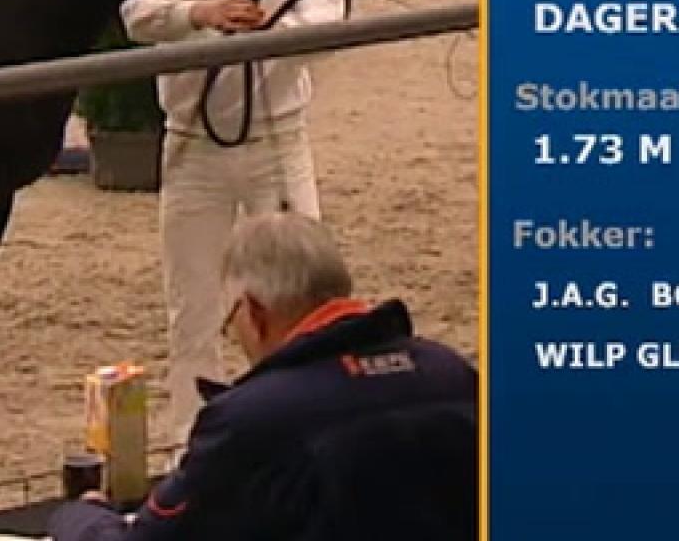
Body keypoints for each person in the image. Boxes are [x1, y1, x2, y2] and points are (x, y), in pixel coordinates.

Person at [47, 211, 478, 541]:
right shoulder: (450, 373)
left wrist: (80, 516)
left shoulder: (252, 419)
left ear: (253, 313)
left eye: (230, 322)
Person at [120, 0, 350, 447]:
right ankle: (192, 440)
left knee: (306, 291)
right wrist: (202, 14)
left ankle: (304, 426)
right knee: (193, 303)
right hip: (194, 144)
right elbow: (137, 11)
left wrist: (269, 32)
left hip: (279, 140)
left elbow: (328, 17)